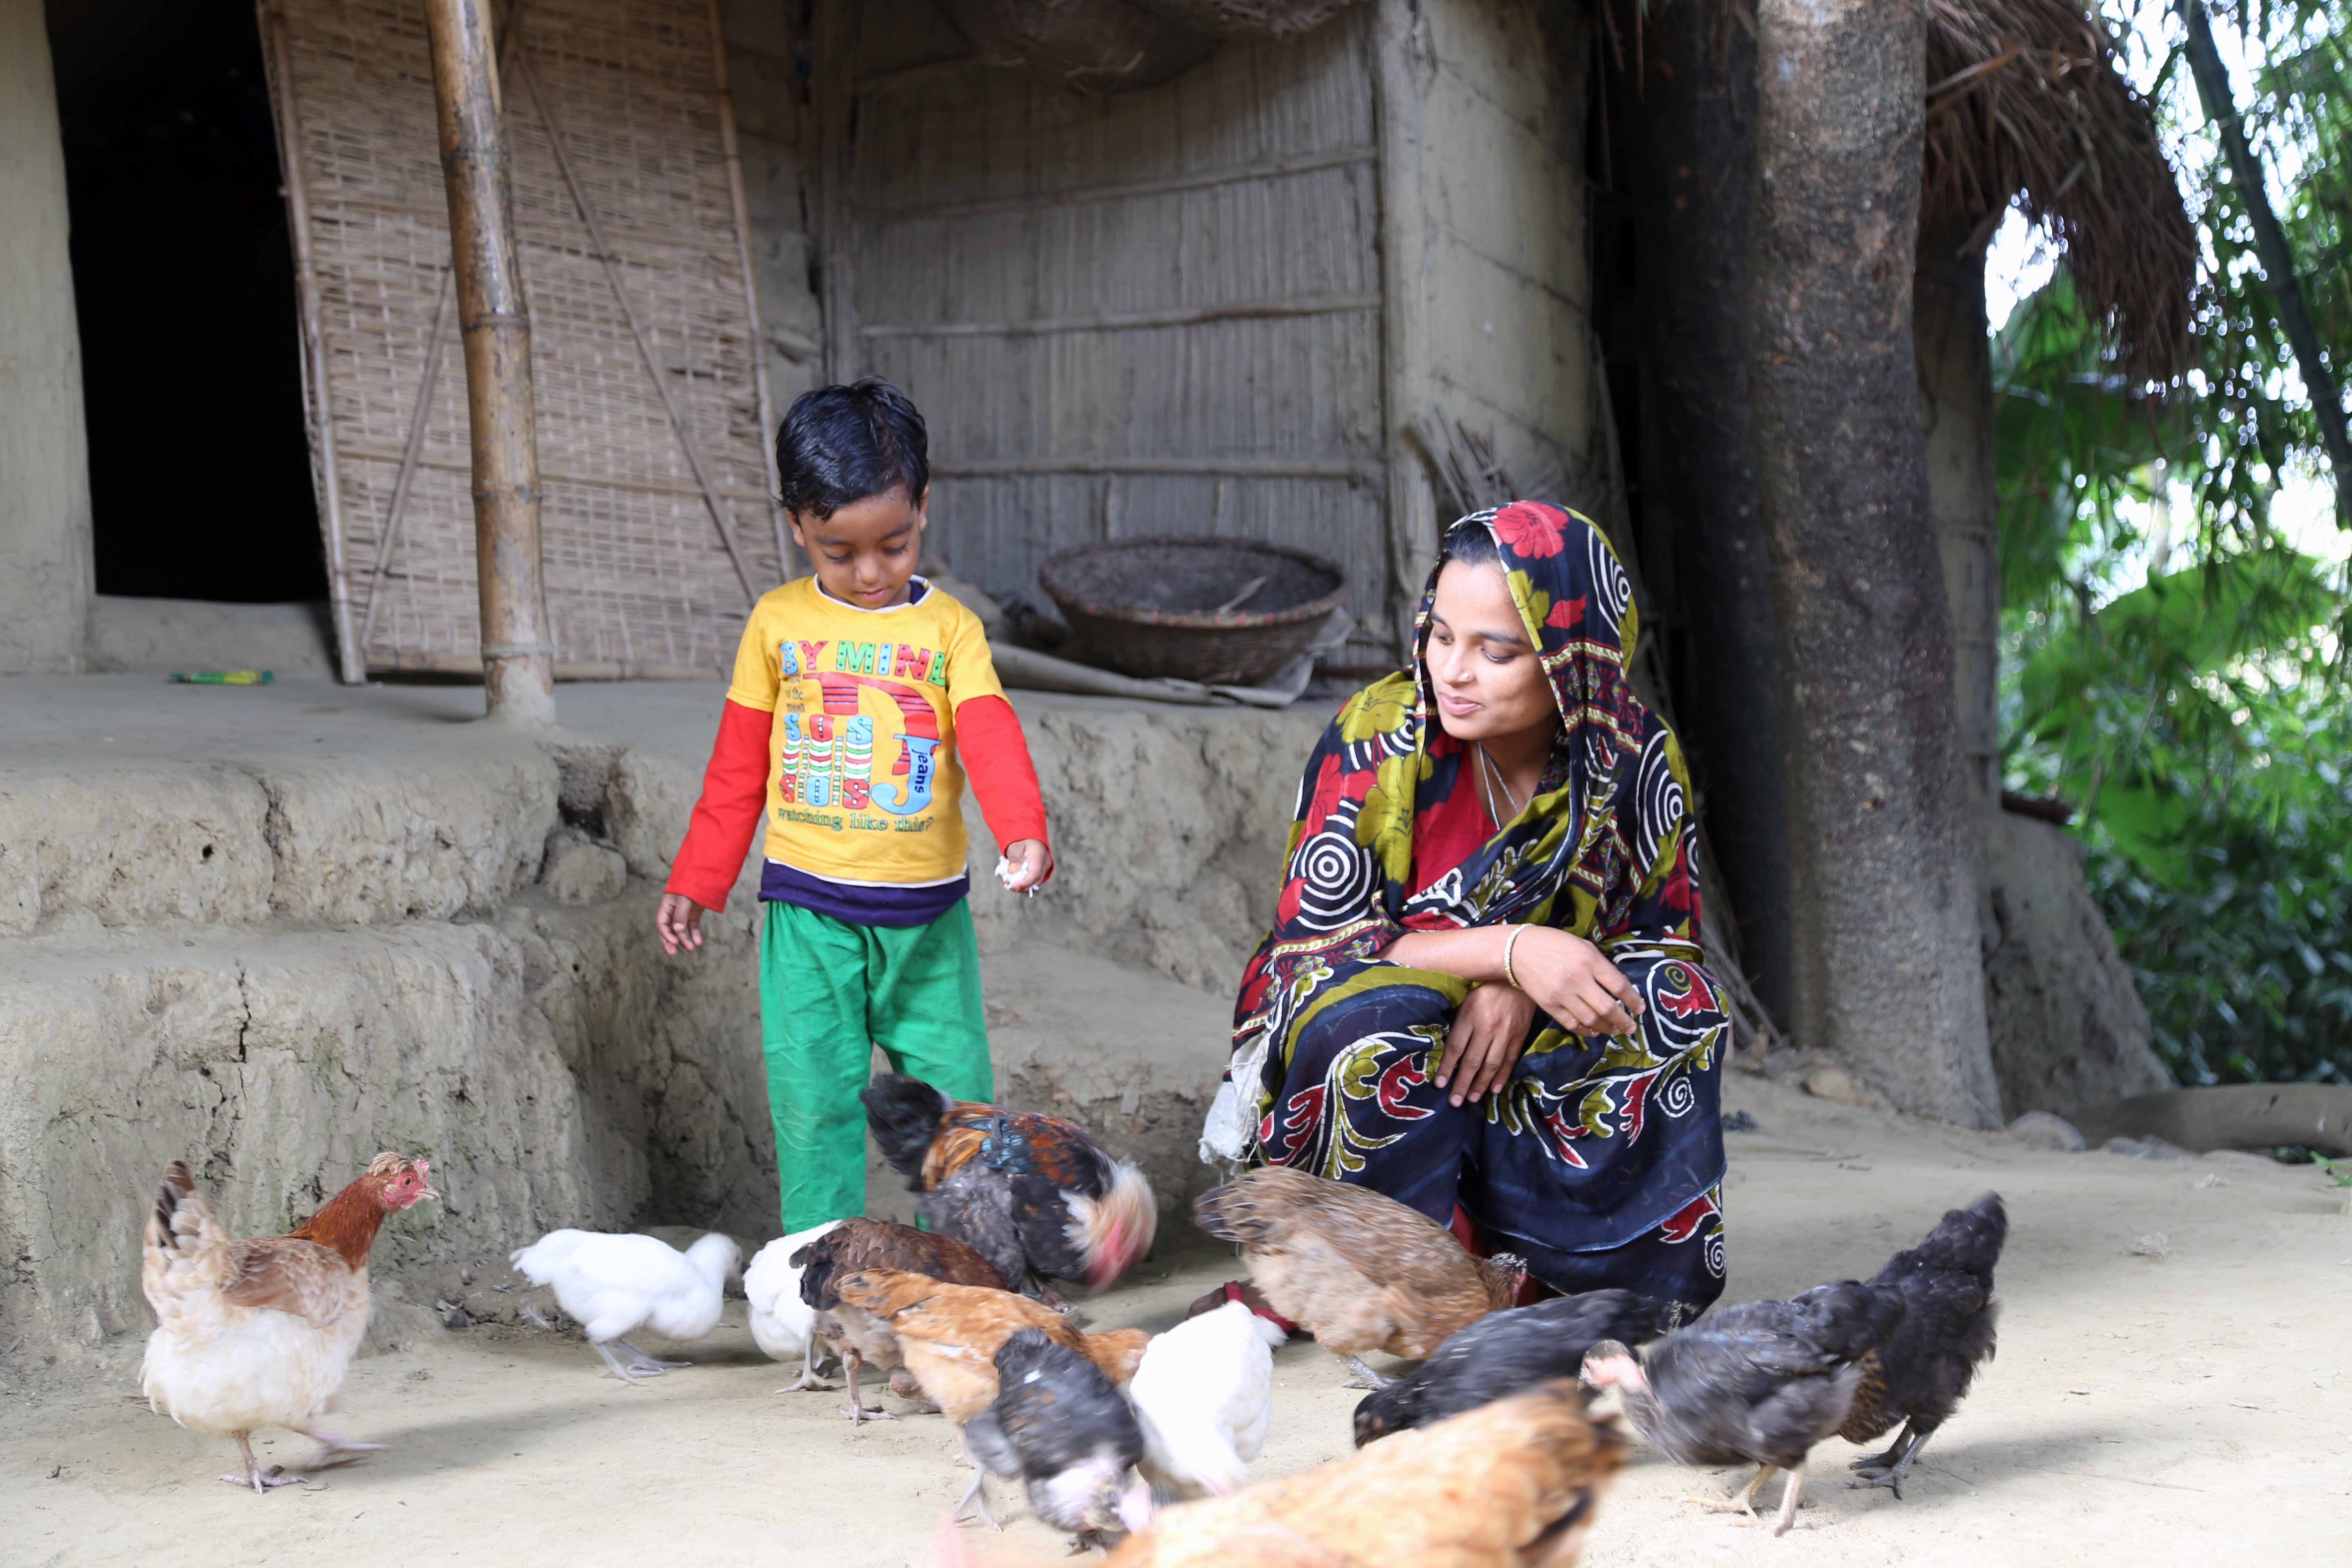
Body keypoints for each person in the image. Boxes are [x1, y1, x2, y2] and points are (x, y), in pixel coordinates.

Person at [1203, 502, 1728, 1326]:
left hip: (1547, 1034)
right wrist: (1510, 952)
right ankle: (1369, 1274)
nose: (1453, 670)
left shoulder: (1635, 762)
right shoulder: (1382, 733)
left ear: (1571, 658)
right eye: (1442, 635)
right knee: (1363, 1020)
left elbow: (1661, 942)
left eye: (1497, 650)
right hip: (1398, 1013)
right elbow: (1318, 948)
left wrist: (1529, 983)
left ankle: (1562, 1265)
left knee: (1673, 1005)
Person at [655, 376, 1054, 1233]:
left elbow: (989, 735)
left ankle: (973, 1267)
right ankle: (820, 1286)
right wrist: (699, 877)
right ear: (798, 524)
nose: (870, 572)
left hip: (927, 926)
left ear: (923, 509)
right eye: (840, 552)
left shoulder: (950, 630)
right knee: (814, 1108)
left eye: (895, 544)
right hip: (807, 921)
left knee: (959, 1115)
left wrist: (1022, 830)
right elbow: (736, 772)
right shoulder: (774, 625)